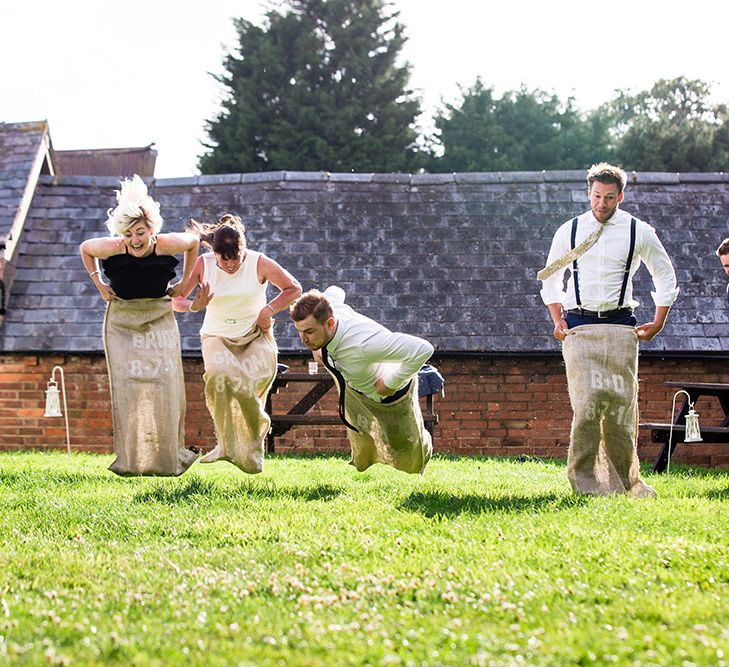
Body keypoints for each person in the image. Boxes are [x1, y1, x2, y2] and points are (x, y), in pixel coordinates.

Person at [538, 162, 679, 497]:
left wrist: (658, 321)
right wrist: (557, 319)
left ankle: (625, 481)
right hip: (579, 327)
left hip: (620, 328)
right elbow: (550, 277)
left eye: (610, 198)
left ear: (621, 196)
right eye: (597, 196)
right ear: (588, 192)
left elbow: (665, 275)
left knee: (618, 408)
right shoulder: (568, 231)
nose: (602, 204)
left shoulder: (637, 231)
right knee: (587, 405)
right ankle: (585, 483)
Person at [79, 175, 200, 476]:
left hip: (158, 317)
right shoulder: (113, 247)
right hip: (123, 320)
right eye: (131, 234)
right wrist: (99, 284)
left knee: (164, 383)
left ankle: (167, 459)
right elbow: (85, 248)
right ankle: (133, 461)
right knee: (129, 386)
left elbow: (195, 242)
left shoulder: (165, 244)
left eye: (141, 233)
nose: (136, 240)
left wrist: (185, 281)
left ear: (151, 231)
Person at [172, 214, 301, 473]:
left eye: (235, 256)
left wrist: (268, 311)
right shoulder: (202, 264)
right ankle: (225, 444)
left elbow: (293, 288)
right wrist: (194, 306)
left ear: (243, 248)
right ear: (215, 252)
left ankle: (251, 450)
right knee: (220, 378)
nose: (230, 264)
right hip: (217, 337)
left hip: (255, 335)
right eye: (224, 258)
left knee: (247, 389)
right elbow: (177, 300)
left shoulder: (258, 262)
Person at [290, 286, 433, 474]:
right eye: (300, 331)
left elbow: (423, 349)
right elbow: (335, 290)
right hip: (356, 390)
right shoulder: (329, 309)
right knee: (364, 442)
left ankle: (424, 443)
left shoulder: (365, 342)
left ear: (330, 323)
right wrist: (317, 347)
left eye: (309, 332)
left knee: (403, 448)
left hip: (390, 394)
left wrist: (390, 383)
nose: (303, 339)